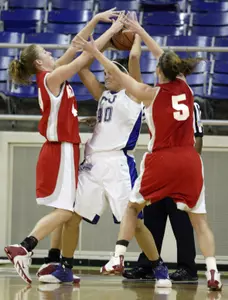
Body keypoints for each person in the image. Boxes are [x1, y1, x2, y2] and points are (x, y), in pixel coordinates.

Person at [74, 15, 222, 291]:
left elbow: (119, 74)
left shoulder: (149, 94)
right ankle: (213, 271)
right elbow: (165, 56)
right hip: (190, 160)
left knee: (132, 208)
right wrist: (141, 31)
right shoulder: (186, 89)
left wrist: (95, 52)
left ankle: (117, 256)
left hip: (162, 159)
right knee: (200, 222)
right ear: (178, 71)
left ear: (159, 72)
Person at [37, 23, 171, 288]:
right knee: (72, 218)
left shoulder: (134, 95)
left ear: (123, 76)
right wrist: (106, 43)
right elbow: (83, 67)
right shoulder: (104, 96)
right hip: (93, 163)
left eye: (112, 73)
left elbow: (133, 58)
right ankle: (65, 266)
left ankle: (159, 266)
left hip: (119, 164)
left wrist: (134, 37)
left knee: (136, 223)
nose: (106, 75)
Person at [3, 8, 123, 285]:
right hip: (60, 151)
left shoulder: (52, 75)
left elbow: (75, 46)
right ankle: (24, 247)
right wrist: (114, 31)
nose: (50, 54)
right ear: (38, 63)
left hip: (65, 149)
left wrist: (94, 20)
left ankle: (54, 262)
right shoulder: (51, 77)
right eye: (45, 52)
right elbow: (85, 55)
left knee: (64, 207)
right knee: (67, 211)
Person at [123, 102, 203, 283]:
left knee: (182, 224)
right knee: (152, 221)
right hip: (158, 169)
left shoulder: (191, 104)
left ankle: (187, 269)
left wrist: (188, 171)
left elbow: (198, 137)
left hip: (180, 172)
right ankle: (148, 265)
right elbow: (131, 116)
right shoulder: (154, 102)